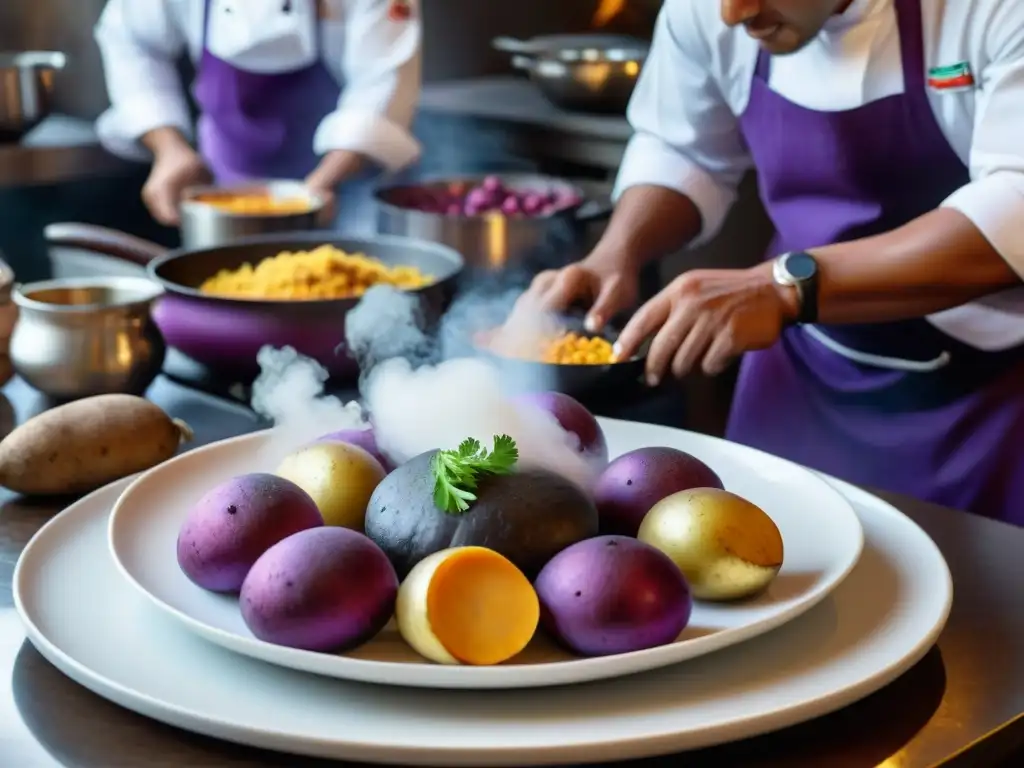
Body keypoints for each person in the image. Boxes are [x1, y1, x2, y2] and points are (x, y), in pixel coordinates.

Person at [516, 0, 1024, 522]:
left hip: (983, 401)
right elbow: (685, 148)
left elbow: (1015, 207)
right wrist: (616, 253)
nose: (734, 13)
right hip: (799, 372)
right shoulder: (711, 10)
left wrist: (783, 288)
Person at [94, 0, 421, 233]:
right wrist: (168, 149)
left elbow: (382, 82)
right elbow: (133, 41)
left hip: (346, 195)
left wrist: (323, 183)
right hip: (221, 190)